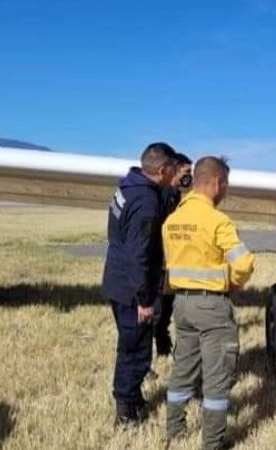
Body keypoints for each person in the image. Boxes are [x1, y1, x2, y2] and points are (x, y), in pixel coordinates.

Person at [163, 156, 255, 450]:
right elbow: (244, 263)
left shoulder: (173, 219)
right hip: (212, 306)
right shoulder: (217, 221)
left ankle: (175, 430)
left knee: (183, 369)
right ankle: (212, 443)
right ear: (216, 182)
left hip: (182, 305)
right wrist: (234, 283)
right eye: (225, 184)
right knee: (217, 379)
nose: (225, 190)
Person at [101, 142, 177, 425]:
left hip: (117, 279)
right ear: (162, 169)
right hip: (132, 288)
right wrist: (145, 300)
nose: (174, 175)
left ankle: (132, 398)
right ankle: (126, 411)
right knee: (135, 351)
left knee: (130, 344)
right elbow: (139, 254)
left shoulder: (127, 186)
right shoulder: (146, 201)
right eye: (171, 170)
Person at [155, 152, 193, 356]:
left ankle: (163, 345)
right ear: (176, 169)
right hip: (161, 260)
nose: (189, 177)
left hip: (170, 261)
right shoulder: (163, 194)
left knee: (167, 306)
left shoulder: (175, 194)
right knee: (159, 307)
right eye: (187, 172)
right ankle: (159, 345)